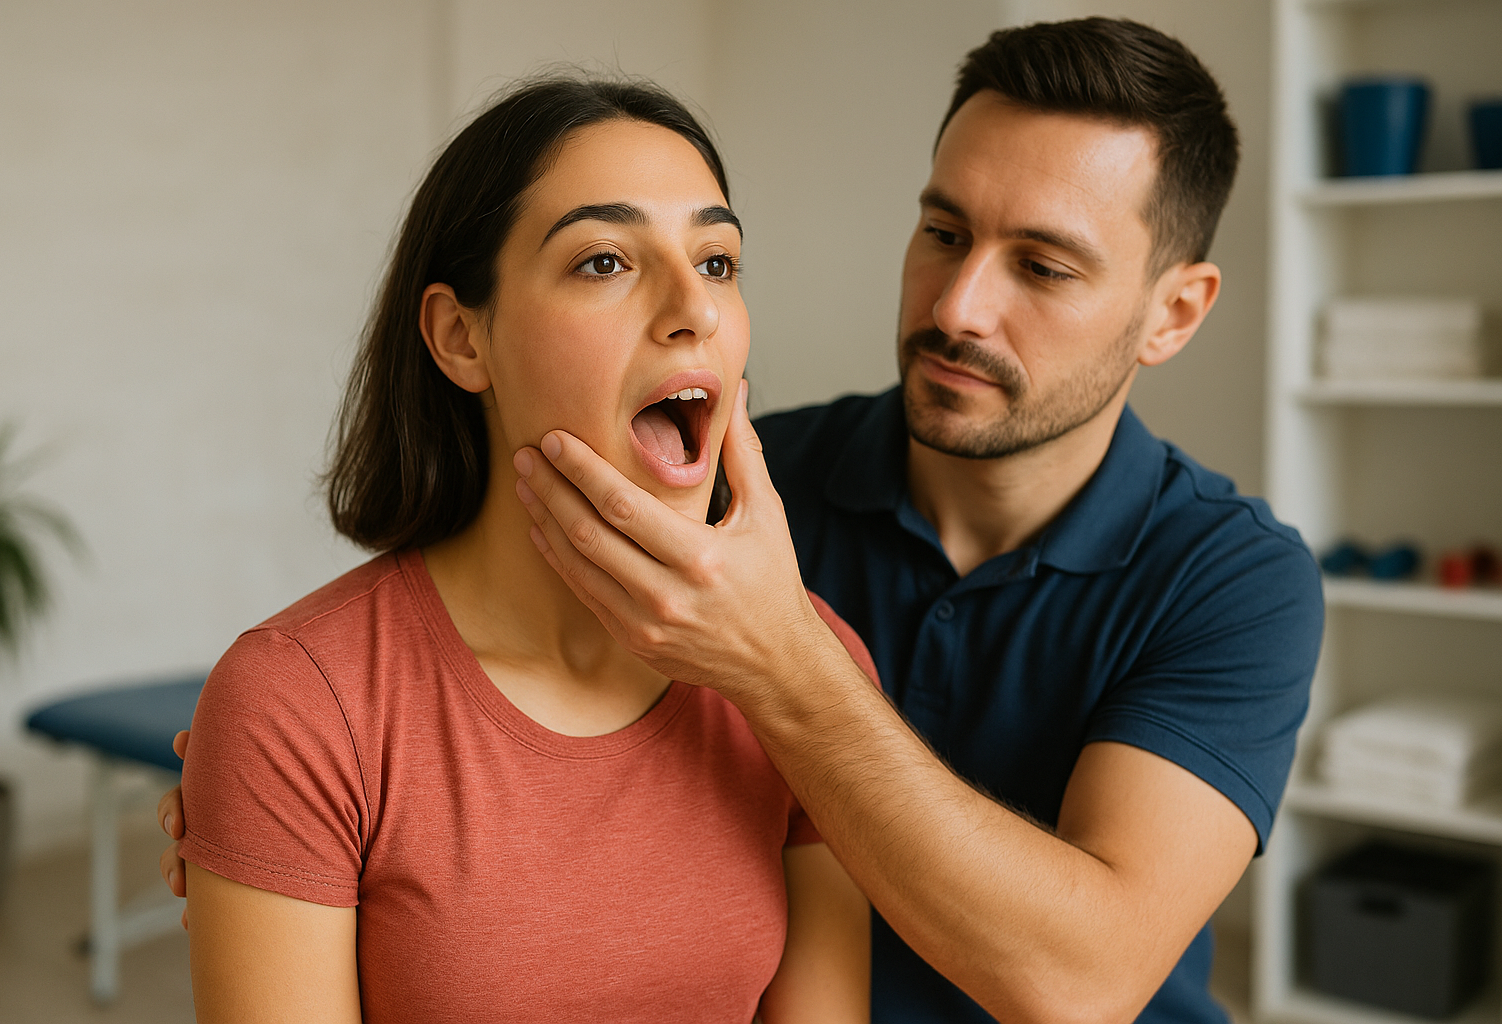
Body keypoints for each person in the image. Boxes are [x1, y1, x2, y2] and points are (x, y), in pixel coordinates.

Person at [499, 18, 1325, 1024]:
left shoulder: (1236, 577)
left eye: (1044, 267)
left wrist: (776, 654)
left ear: (1175, 314)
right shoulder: (737, 482)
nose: (959, 307)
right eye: (944, 233)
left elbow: (1080, 981)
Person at [164, 76, 872, 1024]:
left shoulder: (810, 674)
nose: (693, 308)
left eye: (716, 261)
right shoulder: (300, 706)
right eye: (605, 261)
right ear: (462, 339)